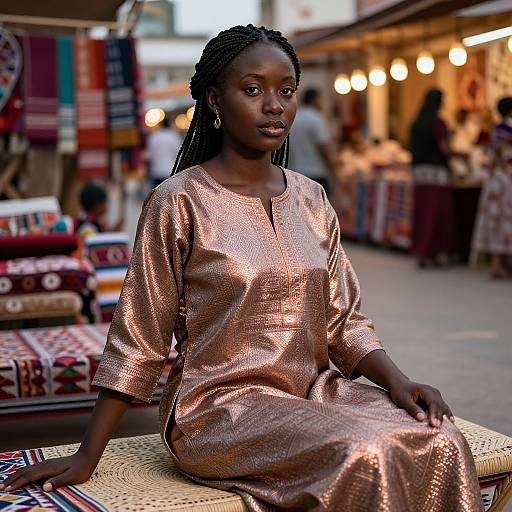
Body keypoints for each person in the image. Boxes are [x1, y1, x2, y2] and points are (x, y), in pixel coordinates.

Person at [1, 25, 483, 512]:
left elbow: (344, 323)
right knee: (367, 451)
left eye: (286, 91)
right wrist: (88, 454)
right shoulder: (178, 202)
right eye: (252, 90)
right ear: (215, 99)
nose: (274, 105)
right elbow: (139, 338)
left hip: (318, 394)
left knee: (441, 438)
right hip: (218, 410)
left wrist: (399, 382)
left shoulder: (313, 199)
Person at [410, 89, 455, 268]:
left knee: (422, 214)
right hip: (437, 176)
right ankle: (435, 254)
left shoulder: (416, 123)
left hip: (419, 175)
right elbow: (445, 149)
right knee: (437, 216)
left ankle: (422, 253)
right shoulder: (438, 124)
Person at [472, 96, 512, 279]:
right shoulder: (507, 129)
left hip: (494, 180)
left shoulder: (496, 129)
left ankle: (498, 263)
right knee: (504, 221)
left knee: (496, 220)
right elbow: (504, 157)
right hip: (506, 180)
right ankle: (499, 263)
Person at [288, 87, 337, 195]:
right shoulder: (316, 118)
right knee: (318, 211)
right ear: (315, 100)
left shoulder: (294, 118)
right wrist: (334, 171)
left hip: (296, 173)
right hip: (317, 174)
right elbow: (324, 147)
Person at [147, 113, 182, 189]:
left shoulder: (154, 137)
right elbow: (179, 153)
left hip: (156, 171)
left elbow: (150, 155)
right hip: (170, 171)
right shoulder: (174, 136)